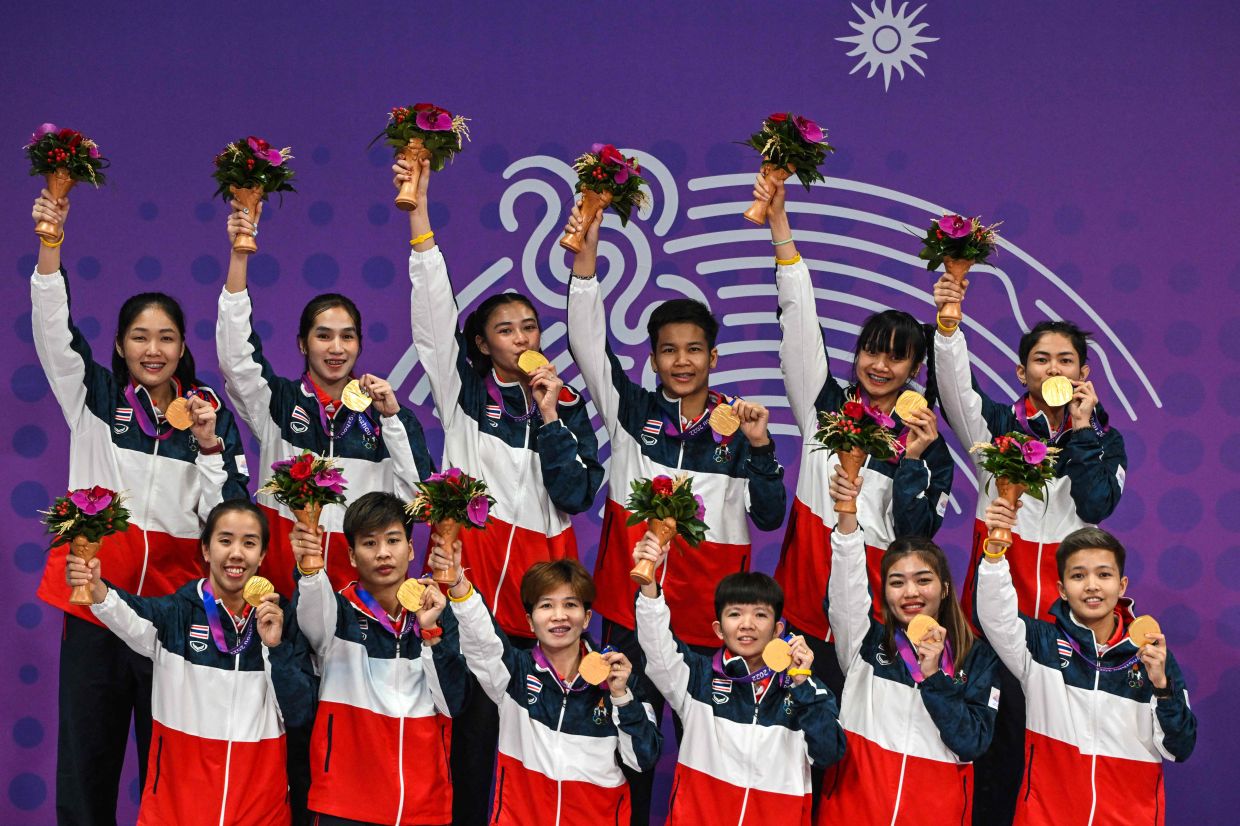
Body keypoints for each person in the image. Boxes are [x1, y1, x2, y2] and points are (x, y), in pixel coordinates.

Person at [29, 190, 250, 825]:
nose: (153, 349)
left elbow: (228, 515)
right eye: (139, 337)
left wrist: (209, 443)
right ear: (121, 346)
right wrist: (51, 249)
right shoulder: (92, 397)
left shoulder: (209, 416)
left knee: (171, 767)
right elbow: (53, 334)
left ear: (183, 349)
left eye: (167, 338)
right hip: (96, 604)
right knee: (86, 764)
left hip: (171, 618)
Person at [400, 157, 605, 825]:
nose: (521, 339)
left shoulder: (565, 405)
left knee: (542, 746)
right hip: (476, 580)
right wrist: (419, 221)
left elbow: (574, 493)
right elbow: (433, 324)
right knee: (471, 737)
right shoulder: (462, 399)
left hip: (545, 591)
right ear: (484, 346)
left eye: (529, 328)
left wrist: (549, 415)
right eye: (505, 330)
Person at [932, 275, 1128, 822]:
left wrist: (1084, 429)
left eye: (1067, 360)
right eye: (1042, 360)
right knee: (992, 768)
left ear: (1084, 374)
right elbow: (955, 391)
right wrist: (948, 324)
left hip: (1064, 636)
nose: (1054, 369)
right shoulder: (995, 429)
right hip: (995, 628)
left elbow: (1094, 506)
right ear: (1023, 373)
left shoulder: (1105, 442)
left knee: (1053, 770)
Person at [757, 173, 953, 700]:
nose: (880, 365)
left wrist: (913, 462)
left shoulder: (929, 446)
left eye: (896, 356)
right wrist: (780, 226)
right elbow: (800, 326)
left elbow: (915, 537)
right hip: (796, 611)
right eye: (872, 350)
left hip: (868, 623)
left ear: (915, 367)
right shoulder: (825, 407)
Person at [217, 202, 435, 597]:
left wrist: (392, 419)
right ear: (303, 343)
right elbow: (236, 357)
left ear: (360, 344)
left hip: (363, 598)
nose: (336, 348)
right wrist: (239, 256)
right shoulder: (278, 403)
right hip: (283, 587)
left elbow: (419, 499)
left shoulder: (388, 415)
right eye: (323, 336)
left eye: (347, 336)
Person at [66, 500, 311, 826]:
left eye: (249, 543)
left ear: (262, 556)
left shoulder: (282, 621)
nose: (236, 553)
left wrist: (275, 648)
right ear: (206, 550)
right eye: (225, 540)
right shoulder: (175, 616)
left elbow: (299, 713)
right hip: (175, 814)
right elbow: (126, 611)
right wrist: (95, 586)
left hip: (261, 815)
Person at [977, 502, 1196, 824]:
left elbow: (1180, 748)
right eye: (1079, 576)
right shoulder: (1041, 645)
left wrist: (1163, 688)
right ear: (1062, 590)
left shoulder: (1151, 655)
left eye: (1103, 575)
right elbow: (995, 615)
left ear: (1121, 586)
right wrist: (994, 554)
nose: (1092, 585)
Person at [429, 537, 661, 825]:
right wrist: (458, 583)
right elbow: (483, 641)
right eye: (546, 606)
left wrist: (622, 698)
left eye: (570, 605)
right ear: (530, 621)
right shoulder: (514, 675)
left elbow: (643, 759)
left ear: (587, 617)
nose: (559, 616)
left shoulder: (619, 680)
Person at [818, 477, 1000, 823]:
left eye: (923, 580)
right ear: (884, 592)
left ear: (945, 588)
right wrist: (846, 518)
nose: (910, 593)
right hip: (851, 814)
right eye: (897, 582)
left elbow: (972, 743)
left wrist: (934, 677)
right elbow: (846, 587)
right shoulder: (865, 642)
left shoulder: (976, 658)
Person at [632, 535, 845, 824]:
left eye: (760, 614)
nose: (747, 624)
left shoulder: (804, 690)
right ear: (719, 629)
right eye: (735, 614)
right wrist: (648, 587)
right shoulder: (697, 680)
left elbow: (828, 753)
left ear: (778, 629)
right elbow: (657, 648)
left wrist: (802, 682)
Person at [289, 491, 469, 825]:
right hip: (343, 804)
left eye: (393, 540)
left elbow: (453, 703)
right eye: (369, 543)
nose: (383, 553)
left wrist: (431, 635)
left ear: (411, 549)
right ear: (352, 555)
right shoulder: (336, 615)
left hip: (423, 807)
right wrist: (309, 568)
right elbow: (312, 609)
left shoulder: (439, 615)